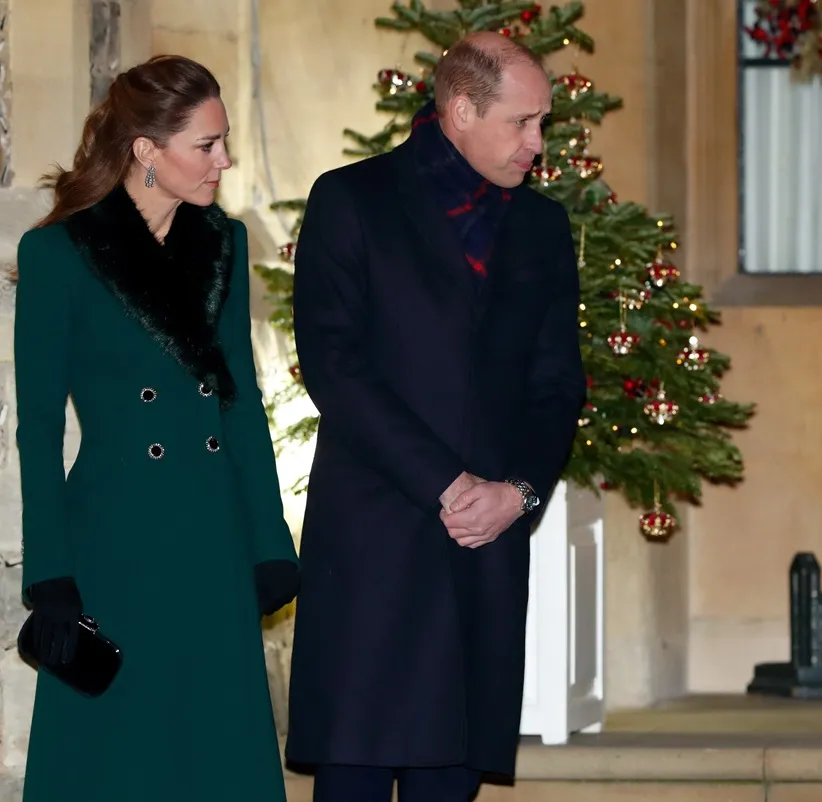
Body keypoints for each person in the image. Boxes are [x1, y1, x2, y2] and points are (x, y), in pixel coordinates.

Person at [285, 31, 585, 802]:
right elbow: (334, 366)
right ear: (458, 110)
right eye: (522, 122)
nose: (537, 143)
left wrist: (516, 493)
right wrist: (449, 485)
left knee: (450, 777)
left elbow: (557, 387)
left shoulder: (542, 227)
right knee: (352, 773)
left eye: (542, 122)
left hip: (482, 546)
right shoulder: (351, 199)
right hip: (373, 542)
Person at [14, 55, 300, 801]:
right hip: (115, 544)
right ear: (146, 149)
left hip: (212, 537)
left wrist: (269, 542)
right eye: (206, 145)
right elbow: (38, 430)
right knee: (118, 761)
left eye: (224, 141)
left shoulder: (224, 247)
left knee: (216, 755)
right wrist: (50, 578)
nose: (224, 160)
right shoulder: (57, 254)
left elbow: (239, 404)